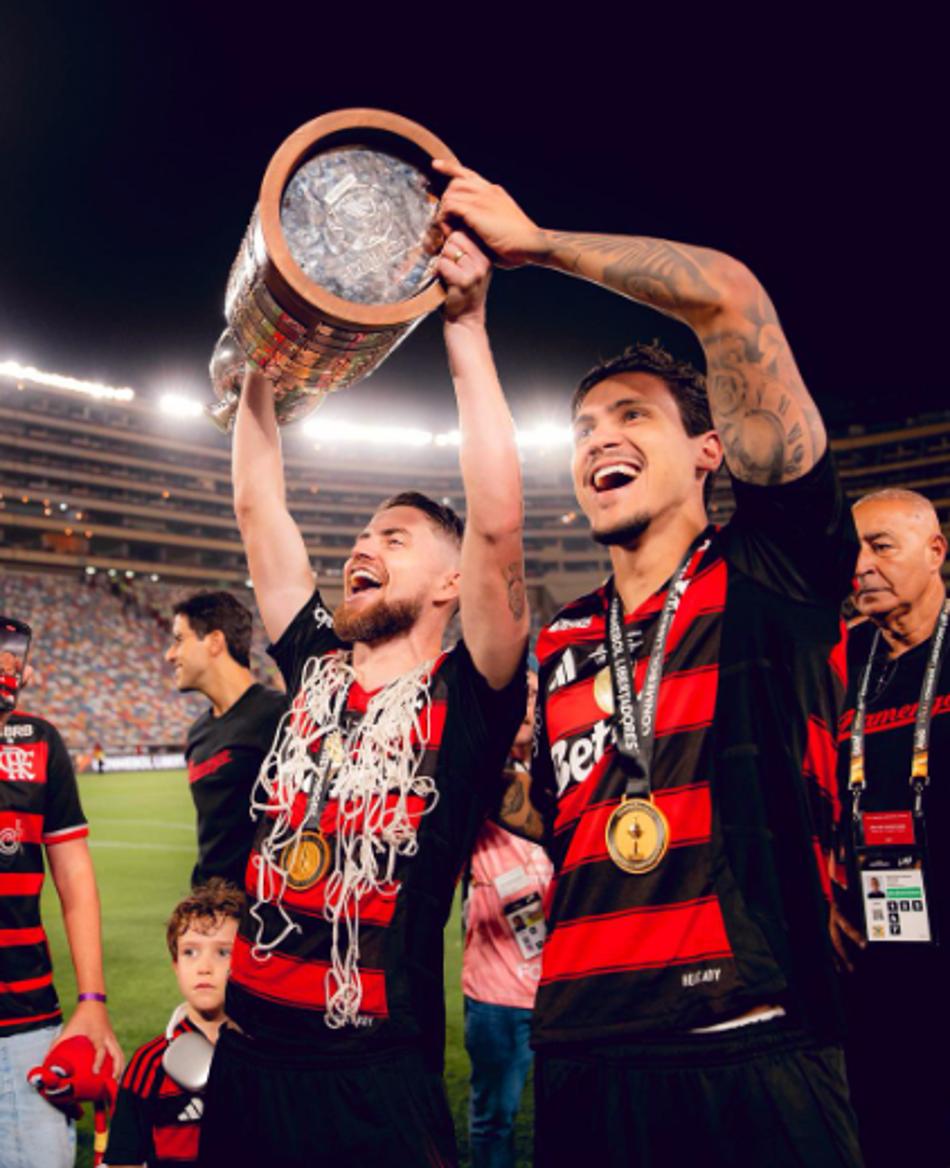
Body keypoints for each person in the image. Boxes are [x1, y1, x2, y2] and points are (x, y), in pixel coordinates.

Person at [437, 160, 862, 1167]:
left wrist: (538, 245)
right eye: (584, 427)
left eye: (632, 415)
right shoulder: (562, 639)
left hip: (751, 1039)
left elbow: (730, 299)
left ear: (710, 450)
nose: (599, 439)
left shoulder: (771, 571)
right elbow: (560, 814)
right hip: (583, 1052)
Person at [198, 227, 528, 1168]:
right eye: (362, 535)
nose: (362, 546)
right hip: (248, 1059)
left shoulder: (470, 698)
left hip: (374, 1075)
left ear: (451, 582)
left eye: (394, 538)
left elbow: (497, 525)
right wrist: (262, 357)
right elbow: (259, 508)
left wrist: (465, 328)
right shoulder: (316, 663)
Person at [830, 488, 949, 1167]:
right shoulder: (840, 658)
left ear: (936, 551)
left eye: (881, 546)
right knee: (885, 1134)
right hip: (872, 952)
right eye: (854, 551)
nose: (862, 566)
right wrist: (821, 892)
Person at [0, 616, 122, 1168]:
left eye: (12, 655)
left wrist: (92, 1002)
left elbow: (74, 878)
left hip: (27, 1021)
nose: (11, 666)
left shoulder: (39, 741)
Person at [462, 669, 552, 1168]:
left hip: (562, 985)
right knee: (494, 1118)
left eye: (534, 693)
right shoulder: (475, 773)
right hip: (496, 990)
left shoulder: (567, 770)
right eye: (515, 693)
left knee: (569, 1117)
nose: (525, 702)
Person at [105, 879, 243, 1168]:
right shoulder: (148, 1063)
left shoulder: (266, 1058)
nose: (204, 967)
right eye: (190, 952)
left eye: (223, 952)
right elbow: (123, 1158)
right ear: (176, 967)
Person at [166, 591, 287, 887]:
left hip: (262, 906)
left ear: (215, 642)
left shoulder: (281, 715)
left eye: (179, 640)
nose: (169, 655)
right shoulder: (198, 733)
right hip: (211, 904)